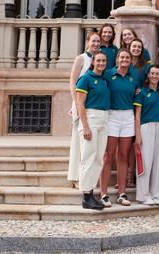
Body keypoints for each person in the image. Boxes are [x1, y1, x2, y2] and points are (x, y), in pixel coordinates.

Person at [100, 49, 138, 207]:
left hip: (128, 116)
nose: (124, 59)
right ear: (117, 60)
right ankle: (103, 194)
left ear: (130, 60)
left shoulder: (133, 76)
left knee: (123, 155)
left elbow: (137, 93)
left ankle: (122, 193)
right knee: (108, 155)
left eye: (127, 57)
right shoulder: (108, 74)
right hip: (112, 115)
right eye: (122, 57)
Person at [74, 52, 111, 210]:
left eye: (103, 61)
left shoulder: (104, 80)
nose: (101, 63)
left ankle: (91, 193)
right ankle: (86, 196)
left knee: (98, 158)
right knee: (88, 157)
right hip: (91, 118)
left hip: (104, 118)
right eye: (98, 60)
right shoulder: (86, 78)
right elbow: (80, 104)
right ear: (93, 62)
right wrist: (86, 126)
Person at [67, 32, 101, 186]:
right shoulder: (81, 58)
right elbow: (73, 82)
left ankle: (88, 177)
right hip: (80, 104)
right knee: (77, 142)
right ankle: (75, 177)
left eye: (98, 41)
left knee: (90, 144)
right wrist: (76, 103)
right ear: (88, 41)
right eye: (93, 41)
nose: (95, 44)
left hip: (94, 106)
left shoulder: (100, 60)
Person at [133, 65, 159, 205]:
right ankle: (143, 195)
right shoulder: (141, 92)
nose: (154, 76)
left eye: (157, 74)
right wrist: (138, 134)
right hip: (146, 126)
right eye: (152, 73)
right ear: (148, 76)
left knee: (158, 162)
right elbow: (137, 115)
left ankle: (156, 194)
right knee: (146, 161)